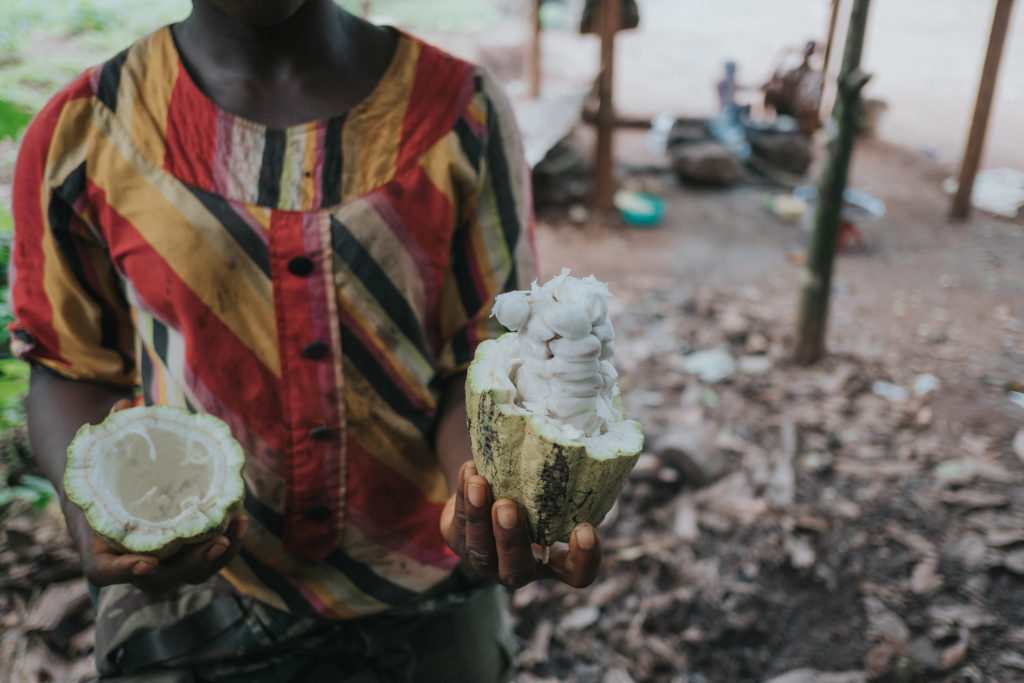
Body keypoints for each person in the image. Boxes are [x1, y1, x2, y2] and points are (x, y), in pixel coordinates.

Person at [10, 1, 603, 680]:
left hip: (425, 598)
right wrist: (99, 517)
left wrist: (489, 501)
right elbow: (68, 365)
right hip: (198, 601)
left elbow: (487, 363)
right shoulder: (86, 132)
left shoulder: (462, 116)